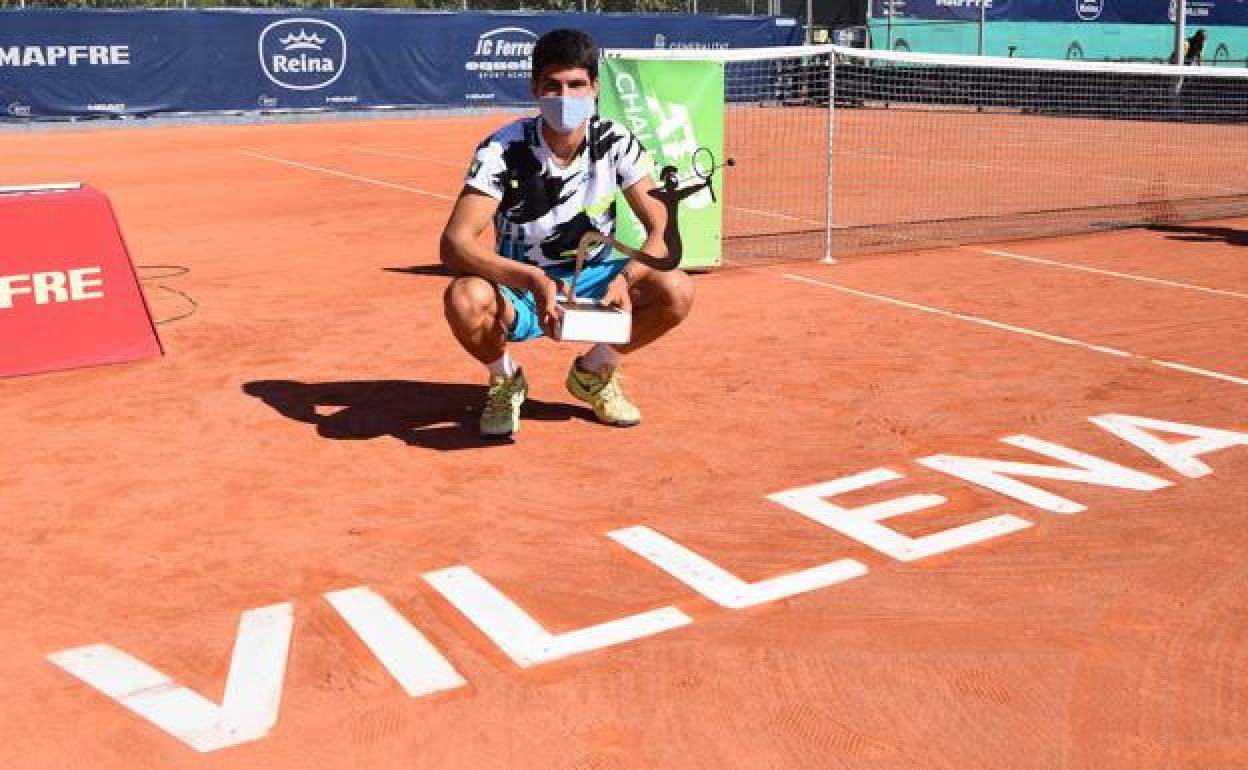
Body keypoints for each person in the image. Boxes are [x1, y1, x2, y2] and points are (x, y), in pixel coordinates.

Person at [440, 28, 695, 439]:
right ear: (534, 88)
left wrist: (624, 279)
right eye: (553, 86)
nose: (565, 97)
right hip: (520, 288)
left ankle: (594, 372)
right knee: (465, 298)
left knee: (676, 289)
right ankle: (505, 379)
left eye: (576, 85)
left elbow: (661, 231)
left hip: (593, 281)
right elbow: (454, 243)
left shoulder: (616, 143)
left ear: (595, 86)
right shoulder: (502, 150)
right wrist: (531, 278)